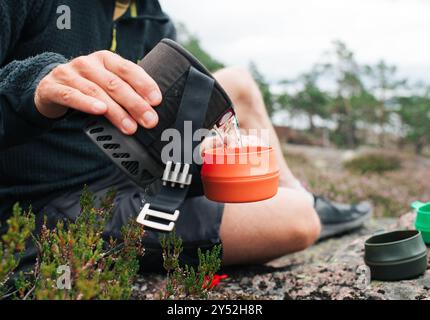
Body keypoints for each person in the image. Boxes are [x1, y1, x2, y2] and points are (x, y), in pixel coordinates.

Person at [0, 0, 371, 271]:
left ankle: (299, 193)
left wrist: (195, 146)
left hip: (130, 166)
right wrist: (35, 88)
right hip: (52, 202)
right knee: (298, 221)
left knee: (238, 83)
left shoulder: (150, 15)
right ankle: (301, 208)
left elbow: (163, 125)